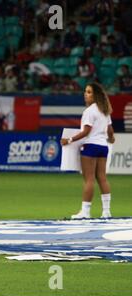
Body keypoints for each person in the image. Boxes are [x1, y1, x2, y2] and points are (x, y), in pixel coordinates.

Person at [61, 82, 115, 219]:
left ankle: (85, 212)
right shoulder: (104, 110)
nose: (85, 94)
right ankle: (106, 211)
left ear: (95, 95)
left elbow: (86, 132)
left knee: (89, 180)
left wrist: (69, 140)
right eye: (85, 91)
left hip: (90, 146)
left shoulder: (89, 111)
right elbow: (110, 131)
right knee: (102, 178)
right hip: (103, 147)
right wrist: (111, 139)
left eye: (89, 92)